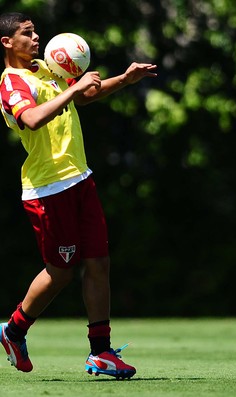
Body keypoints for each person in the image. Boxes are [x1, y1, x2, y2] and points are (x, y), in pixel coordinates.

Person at [0, 12, 157, 379]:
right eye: (27, 33)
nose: (36, 37)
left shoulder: (44, 67)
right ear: (6, 42)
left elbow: (82, 97)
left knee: (99, 263)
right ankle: (14, 330)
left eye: (36, 31)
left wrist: (124, 78)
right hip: (48, 189)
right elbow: (34, 118)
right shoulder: (12, 83)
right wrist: (73, 88)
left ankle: (101, 353)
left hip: (79, 179)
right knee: (60, 272)